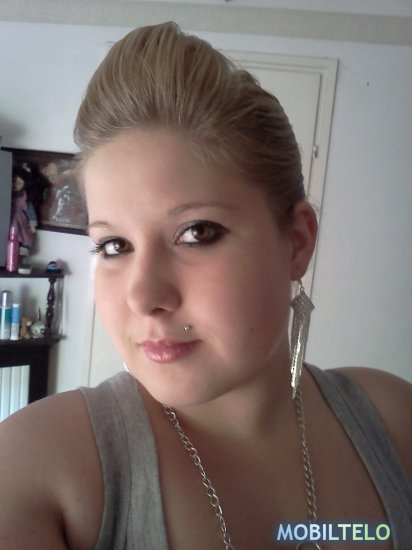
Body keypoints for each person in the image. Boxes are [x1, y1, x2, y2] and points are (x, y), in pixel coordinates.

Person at [0, 21, 411, 550]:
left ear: (297, 242)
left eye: (196, 233)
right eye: (114, 245)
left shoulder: (393, 420)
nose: (142, 297)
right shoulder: (38, 466)